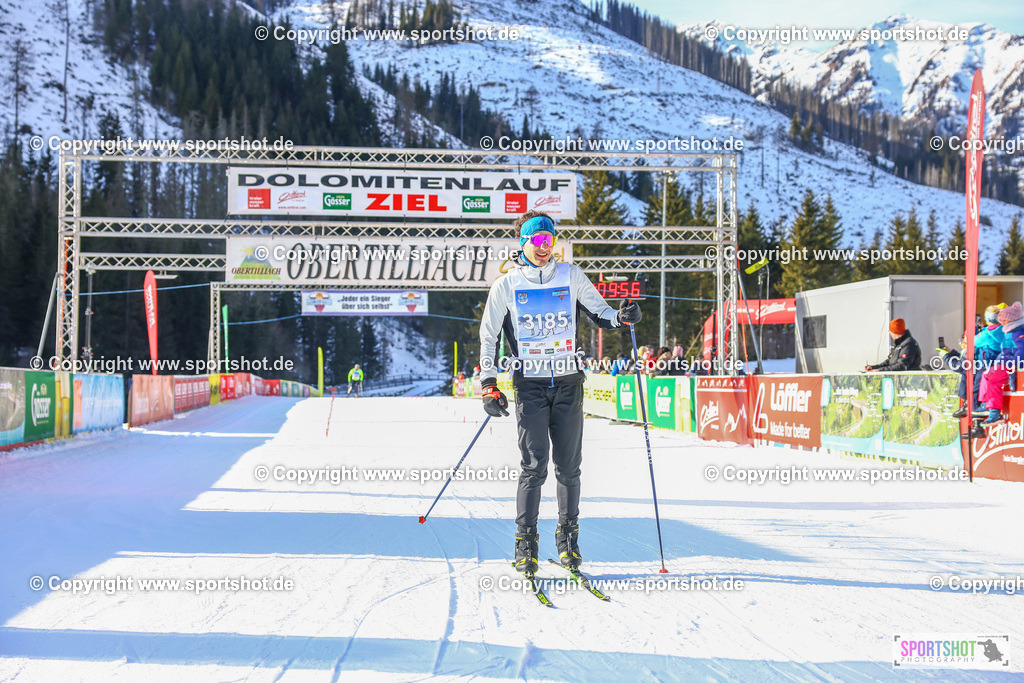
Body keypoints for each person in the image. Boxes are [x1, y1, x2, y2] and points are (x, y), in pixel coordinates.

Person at [477, 211, 641, 575]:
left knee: (569, 467)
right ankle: (525, 540)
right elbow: (489, 337)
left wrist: (624, 317)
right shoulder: (506, 285)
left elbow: (601, 313)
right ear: (522, 243)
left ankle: (568, 537)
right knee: (534, 466)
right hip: (530, 385)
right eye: (536, 241)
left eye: (549, 240)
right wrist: (488, 384)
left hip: (568, 382)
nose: (543, 247)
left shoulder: (571, 276)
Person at [978, 302, 1024, 427]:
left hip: (1009, 364)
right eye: (1001, 320)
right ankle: (984, 403)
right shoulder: (1008, 333)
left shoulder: (1017, 333)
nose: (1002, 323)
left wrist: (1015, 363)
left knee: (994, 380)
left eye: (1004, 320)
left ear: (1012, 320)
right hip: (1003, 363)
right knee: (986, 374)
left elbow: (1021, 350)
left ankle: (995, 412)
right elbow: (1005, 351)